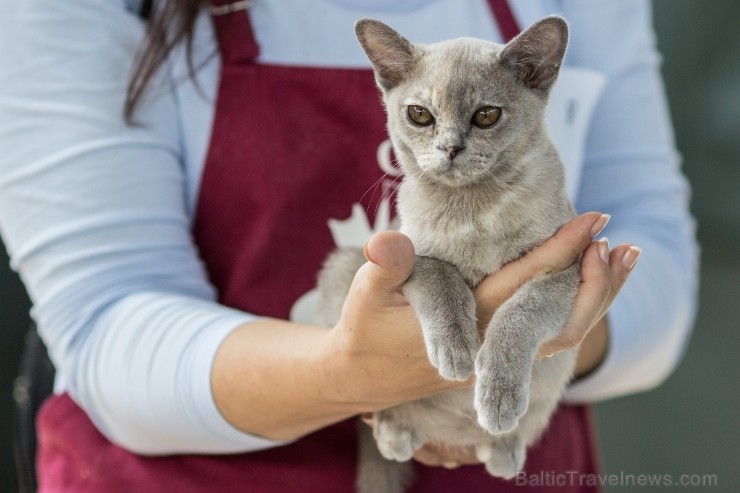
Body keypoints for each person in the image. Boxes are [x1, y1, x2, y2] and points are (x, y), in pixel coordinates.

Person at [0, 0, 698, 492]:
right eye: (422, 117)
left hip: (507, 456)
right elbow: (104, 321)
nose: (448, 146)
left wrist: (546, 327)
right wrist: (354, 373)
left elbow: (653, 252)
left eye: (482, 117)